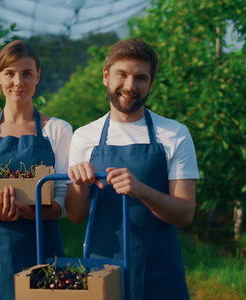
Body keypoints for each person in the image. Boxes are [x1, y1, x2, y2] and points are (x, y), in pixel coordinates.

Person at [65, 38, 199, 300]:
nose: (129, 86)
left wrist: (141, 190)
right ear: (106, 76)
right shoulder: (83, 137)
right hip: (101, 272)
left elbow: (184, 213)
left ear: (150, 83)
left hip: (160, 273)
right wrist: (80, 184)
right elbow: (75, 216)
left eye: (140, 77)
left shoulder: (174, 134)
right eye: (122, 75)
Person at [0, 40, 73, 299]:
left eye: (27, 73)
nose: (18, 81)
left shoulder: (58, 130)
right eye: (10, 73)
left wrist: (32, 214)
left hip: (40, 249)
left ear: (38, 77)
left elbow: (63, 201)